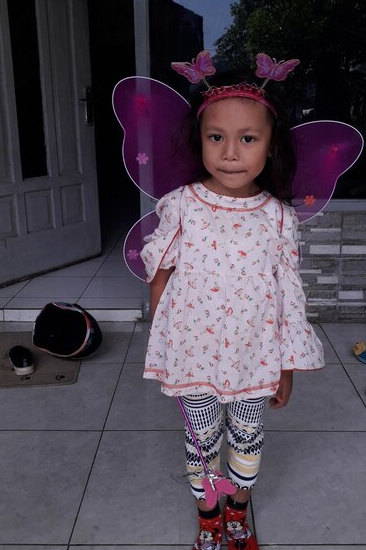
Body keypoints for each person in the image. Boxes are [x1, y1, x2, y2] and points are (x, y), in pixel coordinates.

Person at [140, 59, 325, 550]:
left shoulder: (279, 218)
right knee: (202, 440)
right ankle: (208, 516)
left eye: (248, 138)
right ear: (199, 141)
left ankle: (237, 511)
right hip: (192, 352)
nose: (229, 152)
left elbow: (289, 296)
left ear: (271, 144)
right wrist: (164, 349)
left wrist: (286, 365)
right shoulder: (181, 204)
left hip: (254, 353)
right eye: (215, 137)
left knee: (246, 437)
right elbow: (159, 276)